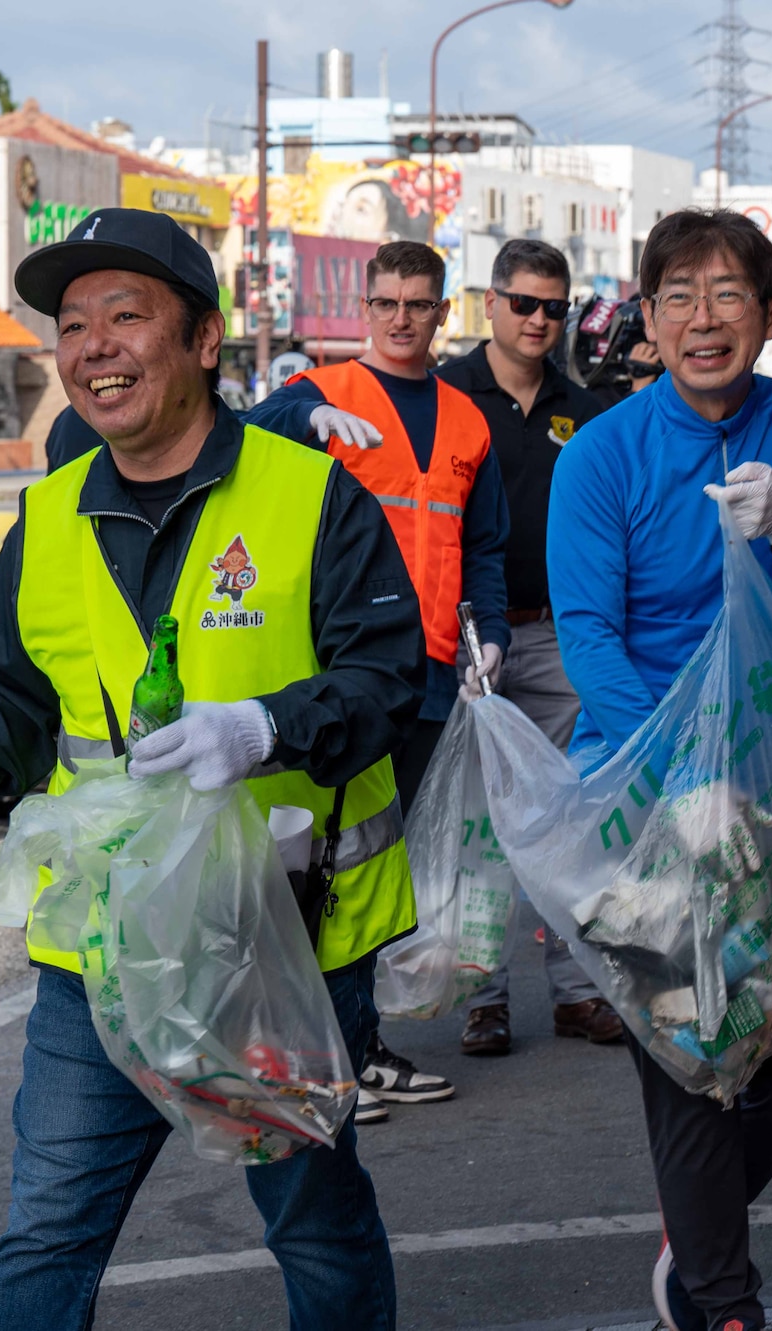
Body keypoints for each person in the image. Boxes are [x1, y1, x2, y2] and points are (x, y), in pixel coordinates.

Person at [0, 208, 424, 1328]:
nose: (94, 346)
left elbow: (389, 675)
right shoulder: (48, 515)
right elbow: (7, 704)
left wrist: (263, 726)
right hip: (101, 943)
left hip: (284, 934)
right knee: (49, 1221)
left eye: (126, 315)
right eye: (72, 324)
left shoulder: (308, 495)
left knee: (308, 1207)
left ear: (204, 341)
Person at [547, 208, 772, 1331]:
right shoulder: (599, 454)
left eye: (729, 294)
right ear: (646, 318)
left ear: (771, 314)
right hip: (644, 790)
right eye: (678, 296)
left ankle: (695, 1236)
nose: (704, 318)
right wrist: (679, 781)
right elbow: (590, 638)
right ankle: (719, 1300)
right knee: (692, 1043)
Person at [246, 239, 512, 1119]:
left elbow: (482, 544)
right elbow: (235, 441)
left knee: (373, 869)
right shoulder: (317, 395)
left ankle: (354, 1049)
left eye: (420, 304)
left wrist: (492, 632)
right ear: (364, 310)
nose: (403, 318)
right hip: (344, 668)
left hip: (433, 668)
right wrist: (299, 427)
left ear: (445, 312)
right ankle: (315, 1054)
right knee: (324, 867)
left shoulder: (467, 419)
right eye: (387, 303)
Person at [436, 239, 622, 1054]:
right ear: (490, 303)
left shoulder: (584, 411)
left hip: (553, 635)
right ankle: (484, 997)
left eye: (557, 307)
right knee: (481, 829)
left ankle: (580, 991)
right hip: (467, 636)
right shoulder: (443, 398)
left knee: (565, 818)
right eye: (526, 303)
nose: (542, 319)